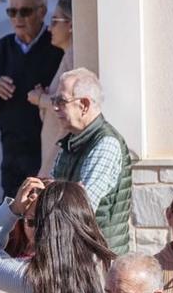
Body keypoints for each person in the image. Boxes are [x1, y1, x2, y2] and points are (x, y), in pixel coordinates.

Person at [0, 0, 64, 197]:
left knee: (44, 208)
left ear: (41, 12)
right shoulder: (3, 47)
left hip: (45, 147)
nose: (17, 19)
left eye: (25, 11)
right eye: (12, 12)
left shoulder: (56, 44)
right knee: (13, 212)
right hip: (12, 149)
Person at [46, 69, 133, 255]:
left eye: (61, 101)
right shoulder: (70, 142)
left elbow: (83, 207)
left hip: (98, 261)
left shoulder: (106, 143)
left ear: (84, 105)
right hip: (78, 255)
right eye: (54, 101)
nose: (54, 107)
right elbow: (52, 193)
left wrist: (51, 195)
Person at [31, 0, 76, 176]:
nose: (49, 28)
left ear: (71, 25)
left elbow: (72, 105)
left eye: (55, 21)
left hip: (60, 154)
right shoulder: (68, 56)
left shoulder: (74, 57)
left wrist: (40, 98)